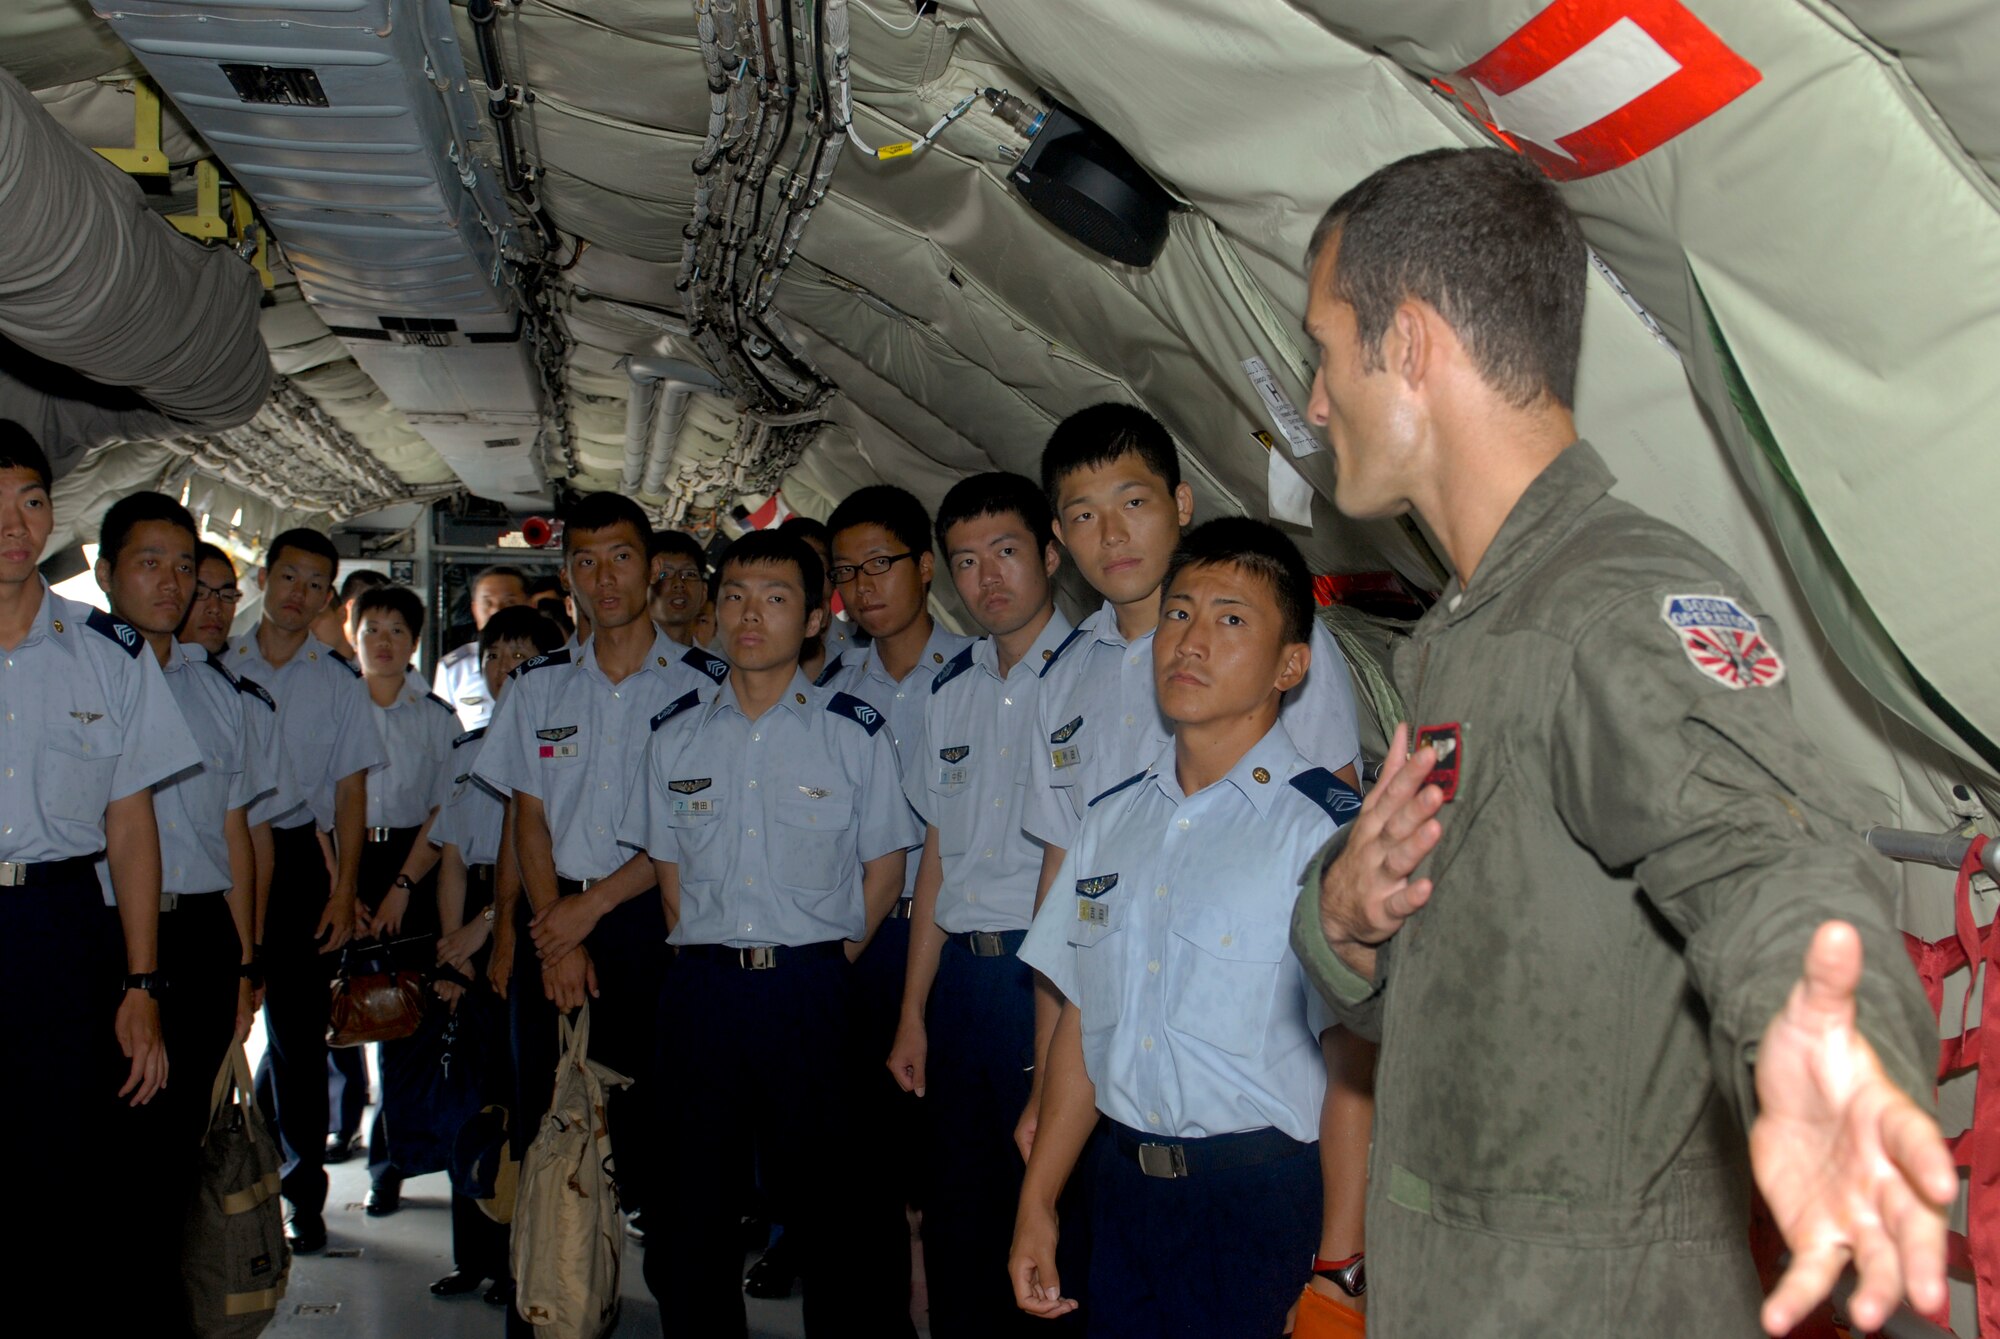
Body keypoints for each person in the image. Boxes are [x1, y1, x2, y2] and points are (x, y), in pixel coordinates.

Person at [1290, 147, 1951, 1337]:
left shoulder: (1614, 608)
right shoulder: (1470, 627)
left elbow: (1769, 863)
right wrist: (1340, 916)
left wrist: (1828, 1046)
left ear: (1410, 344)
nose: (1311, 399)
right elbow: (1484, 1003)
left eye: (1325, 350)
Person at [1017, 404, 1374, 1224]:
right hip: (1116, 1077)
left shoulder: (1281, 646)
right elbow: (1068, 898)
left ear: (1180, 504)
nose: (1111, 535)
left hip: (1253, 1110)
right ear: (1061, 536)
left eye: (1132, 503)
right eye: (1083, 515)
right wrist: (1047, 1078)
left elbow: (1335, 870)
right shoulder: (1065, 678)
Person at [624, 527, 919, 1338]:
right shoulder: (675, 732)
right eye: (735, 598)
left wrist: (821, 958)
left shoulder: (851, 733)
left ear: (817, 618)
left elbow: (885, 870)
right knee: (692, 1212)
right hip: (702, 992)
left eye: (776, 598)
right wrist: (722, 953)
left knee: (838, 1214)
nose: (750, 615)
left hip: (812, 989)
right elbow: (670, 874)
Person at [474, 490, 717, 1329]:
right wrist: (554, 933)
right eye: (584, 560)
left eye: (620, 556)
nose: (603, 576)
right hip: (558, 921)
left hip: (660, 925)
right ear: (565, 574)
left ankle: (688, 1312)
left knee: (670, 1144)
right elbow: (529, 819)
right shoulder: (539, 687)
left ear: (650, 566)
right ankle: (545, 1311)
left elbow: (695, 824)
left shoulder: (704, 687)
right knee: (547, 1134)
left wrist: (594, 912)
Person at [0, 426, 201, 1294]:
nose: (14, 522)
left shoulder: (105, 653)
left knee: (62, 1158)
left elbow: (130, 825)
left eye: (32, 500)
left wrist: (142, 984)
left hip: (60, 924)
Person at [886, 472, 1075, 1336]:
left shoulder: (1097, 680)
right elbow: (935, 859)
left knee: (1048, 1209)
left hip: (1051, 985)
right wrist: (913, 1013)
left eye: (1005, 551)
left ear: (1050, 552)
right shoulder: (946, 690)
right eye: (965, 560)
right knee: (957, 1212)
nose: (987, 577)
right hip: (960, 983)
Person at [93, 492, 276, 1333]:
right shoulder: (76, 674)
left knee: (176, 1148)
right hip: (98, 930)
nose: (171, 583)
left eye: (183, 566)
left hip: (200, 932)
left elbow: (234, 837)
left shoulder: (221, 697)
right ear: (103, 573)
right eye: (148, 562)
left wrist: (244, 963)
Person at [229, 527, 388, 1253]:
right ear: (264, 578)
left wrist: (343, 888)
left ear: (330, 596)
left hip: (297, 860)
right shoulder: (212, 657)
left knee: (296, 1038)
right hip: (213, 853)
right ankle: (216, 1183)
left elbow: (351, 793)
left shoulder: (337, 680)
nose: (299, 594)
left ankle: (301, 1193)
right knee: (213, 1020)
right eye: (288, 577)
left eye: (315, 584)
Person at [427, 603, 564, 1307]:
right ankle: (473, 1254)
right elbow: (452, 855)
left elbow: (535, 847)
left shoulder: (558, 746)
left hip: (522, 920)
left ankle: (522, 1259)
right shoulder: (467, 747)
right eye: (495, 656)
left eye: (522, 655)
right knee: (469, 1105)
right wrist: (453, 954)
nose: (506, 669)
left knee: (523, 1103)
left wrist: (488, 926)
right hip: (471, 931)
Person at [349, 582, 460, 1215]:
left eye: (396, 631)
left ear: (415, 643)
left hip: (410, 867)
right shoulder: (337, 709)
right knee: (330, 1016)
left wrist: (398, 889)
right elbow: (317, 803)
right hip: (343, 862)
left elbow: (443, 813)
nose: (383, 643)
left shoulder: (436, 718)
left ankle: (391, 1162)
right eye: (372, 630)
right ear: (352, 635)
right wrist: (344, 888)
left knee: (401, 1023)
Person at [434, 564, 530, 731]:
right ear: (474, 609)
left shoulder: (550, 660)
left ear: (529, 606)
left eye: (509, 602)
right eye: (488, 603)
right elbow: (440, 734)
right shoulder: (454, 669)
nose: (497, 611)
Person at [779, 514, 857, 681]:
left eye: (816, 563)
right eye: (794, 561)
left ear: (834, 576)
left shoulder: (863, 647)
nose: (806, 573)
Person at [649, 528, 708, 648]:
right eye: (664, 574)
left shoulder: (718, 666)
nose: (679, 583)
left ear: (703, 593)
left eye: (689, 574)